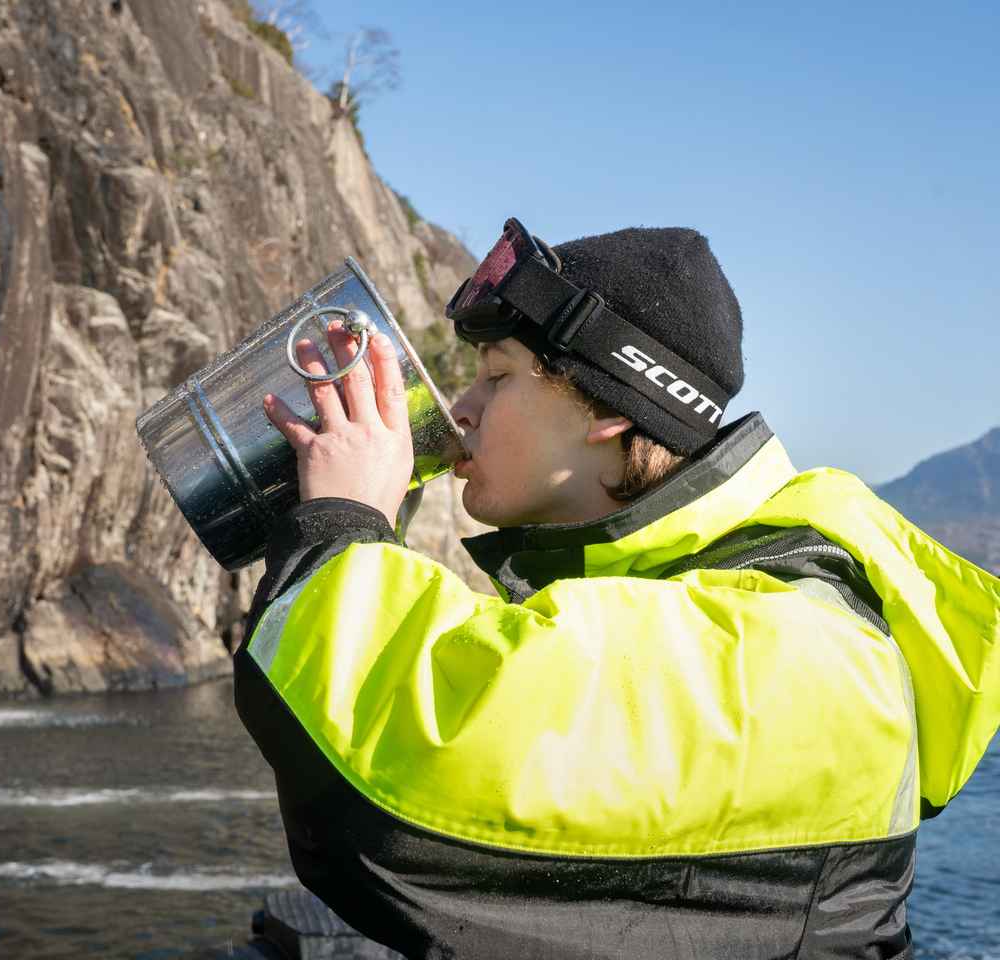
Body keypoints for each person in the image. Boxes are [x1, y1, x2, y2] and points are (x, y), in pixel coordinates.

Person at [234, 218, 1000, 959]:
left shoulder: (805, 645)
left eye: (497, 376)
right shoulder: (679, 596)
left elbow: (414, 761)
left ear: (603, 407)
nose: (461, 409)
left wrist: (345, 520)